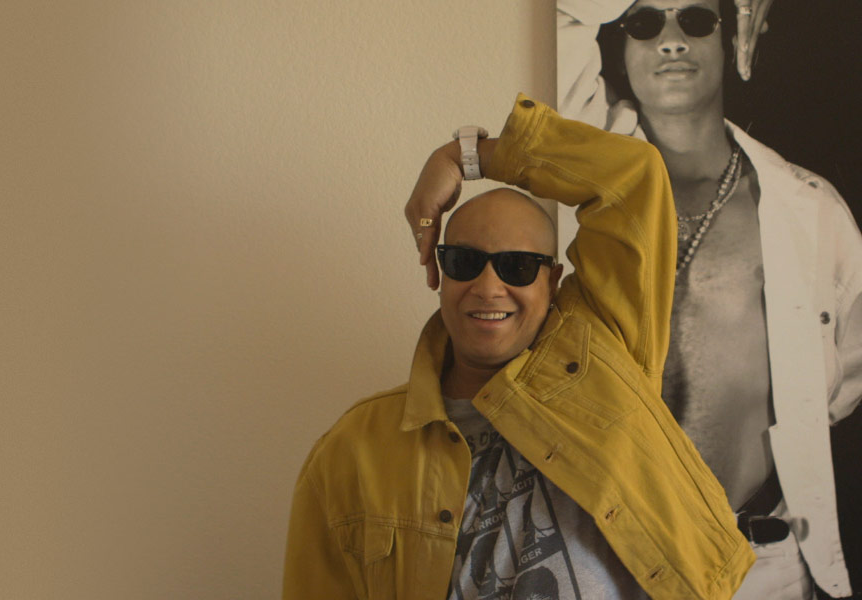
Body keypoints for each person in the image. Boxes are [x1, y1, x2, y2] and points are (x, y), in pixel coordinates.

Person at [284, 94, 754, 600]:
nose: (488, 287)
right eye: (465, 262)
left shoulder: (606, 350)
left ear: (552, 282)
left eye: (517, 267)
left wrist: (465, 157)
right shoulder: (353, 450)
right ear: (439, 272)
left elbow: (632, 176)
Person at [555, 0, 862, 597]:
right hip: (606, 559)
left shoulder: (807, 208)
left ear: (734, 40)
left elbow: (851, 361)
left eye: (696, 19)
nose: (671, 40)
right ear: (620, 50)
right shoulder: (582, 171)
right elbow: (561, 16)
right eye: (644, 23)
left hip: (759, 566)